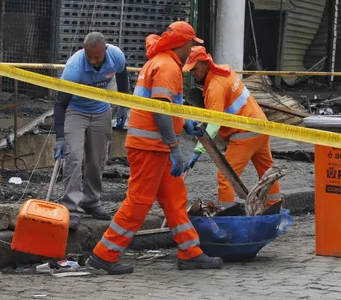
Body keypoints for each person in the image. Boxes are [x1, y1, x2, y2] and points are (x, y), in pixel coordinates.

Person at [88, 22, 224, 275]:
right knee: (138, 202)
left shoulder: (158, 62)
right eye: (192, 43)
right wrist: (174, 147)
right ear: (182, 44)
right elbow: (160, 110)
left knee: (174, 200)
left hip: (151, 144)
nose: (192, 48)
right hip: (151, 146)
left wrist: (184, 124)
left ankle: (190, 252)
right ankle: (103, 255)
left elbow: (166, 108)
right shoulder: (168, 67)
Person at [183, 46, 281, 209]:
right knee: (267, 173)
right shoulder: (224, 73)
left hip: (245, 133)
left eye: (195, 68)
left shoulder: (215, 87)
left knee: (225, 176)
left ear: (206, 63)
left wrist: (198, 150)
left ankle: (227, 216)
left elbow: (215, 122)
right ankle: (275, 208)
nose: (193, 73)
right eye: (190, 70)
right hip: (261, 127)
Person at [54, 32, 130, 231]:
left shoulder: (116, 56)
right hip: (74, 111)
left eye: (98, 57)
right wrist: (60, 137)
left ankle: (91, 200)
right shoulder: (73, 68)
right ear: (84, 51)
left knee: (98, 159)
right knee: (74, 157)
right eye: (90, 57)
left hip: (101, 110)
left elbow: (123, 76)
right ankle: (71, 207)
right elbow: (60, 104)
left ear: (105, 50)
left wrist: (124, 105)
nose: (94, 61)